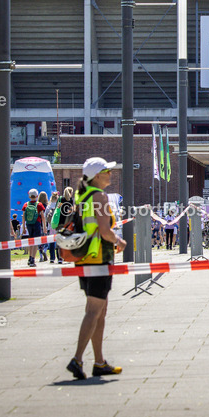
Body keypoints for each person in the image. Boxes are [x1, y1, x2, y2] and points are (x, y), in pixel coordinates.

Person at [67, 157, 126, 380]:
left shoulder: (81, 196)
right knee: (94, 310)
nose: (111, 174)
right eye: (107, 171)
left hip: (84, 258)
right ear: (97, 176)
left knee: (99, 311)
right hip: (99, 258)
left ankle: (99, 362)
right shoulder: (99, 197)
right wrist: (119, 241)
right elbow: (104, 230)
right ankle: (77, 359)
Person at [22, 190, 45, 267]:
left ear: (29, 196)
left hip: (29, 224)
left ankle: (30, 257)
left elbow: (23, 217)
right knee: (36, 241)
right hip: (37, 223)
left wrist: (24, 227)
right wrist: (44, 226)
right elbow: (42, 216)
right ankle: (33, 258)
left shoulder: (26, 204)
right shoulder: (39, 204)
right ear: (37, 196)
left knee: (30, 241)